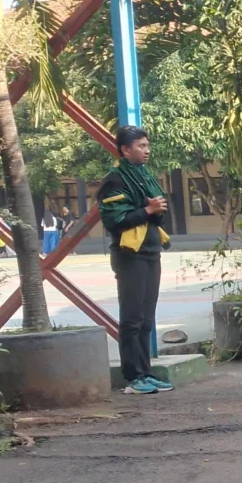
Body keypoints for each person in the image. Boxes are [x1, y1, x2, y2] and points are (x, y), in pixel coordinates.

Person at [97, 126, 174, 396]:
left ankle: (146, 372)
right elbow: (114, 220)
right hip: (131, 256)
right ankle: (133, 377)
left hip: (152, 251)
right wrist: (147, 209)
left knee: (146, 318)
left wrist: (156, 211)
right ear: (125, 149)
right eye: (141, 145)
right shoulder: (115, 180)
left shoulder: (145, 176)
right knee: (131, 317)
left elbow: (159, 211)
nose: (147, 150)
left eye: (147, 145)